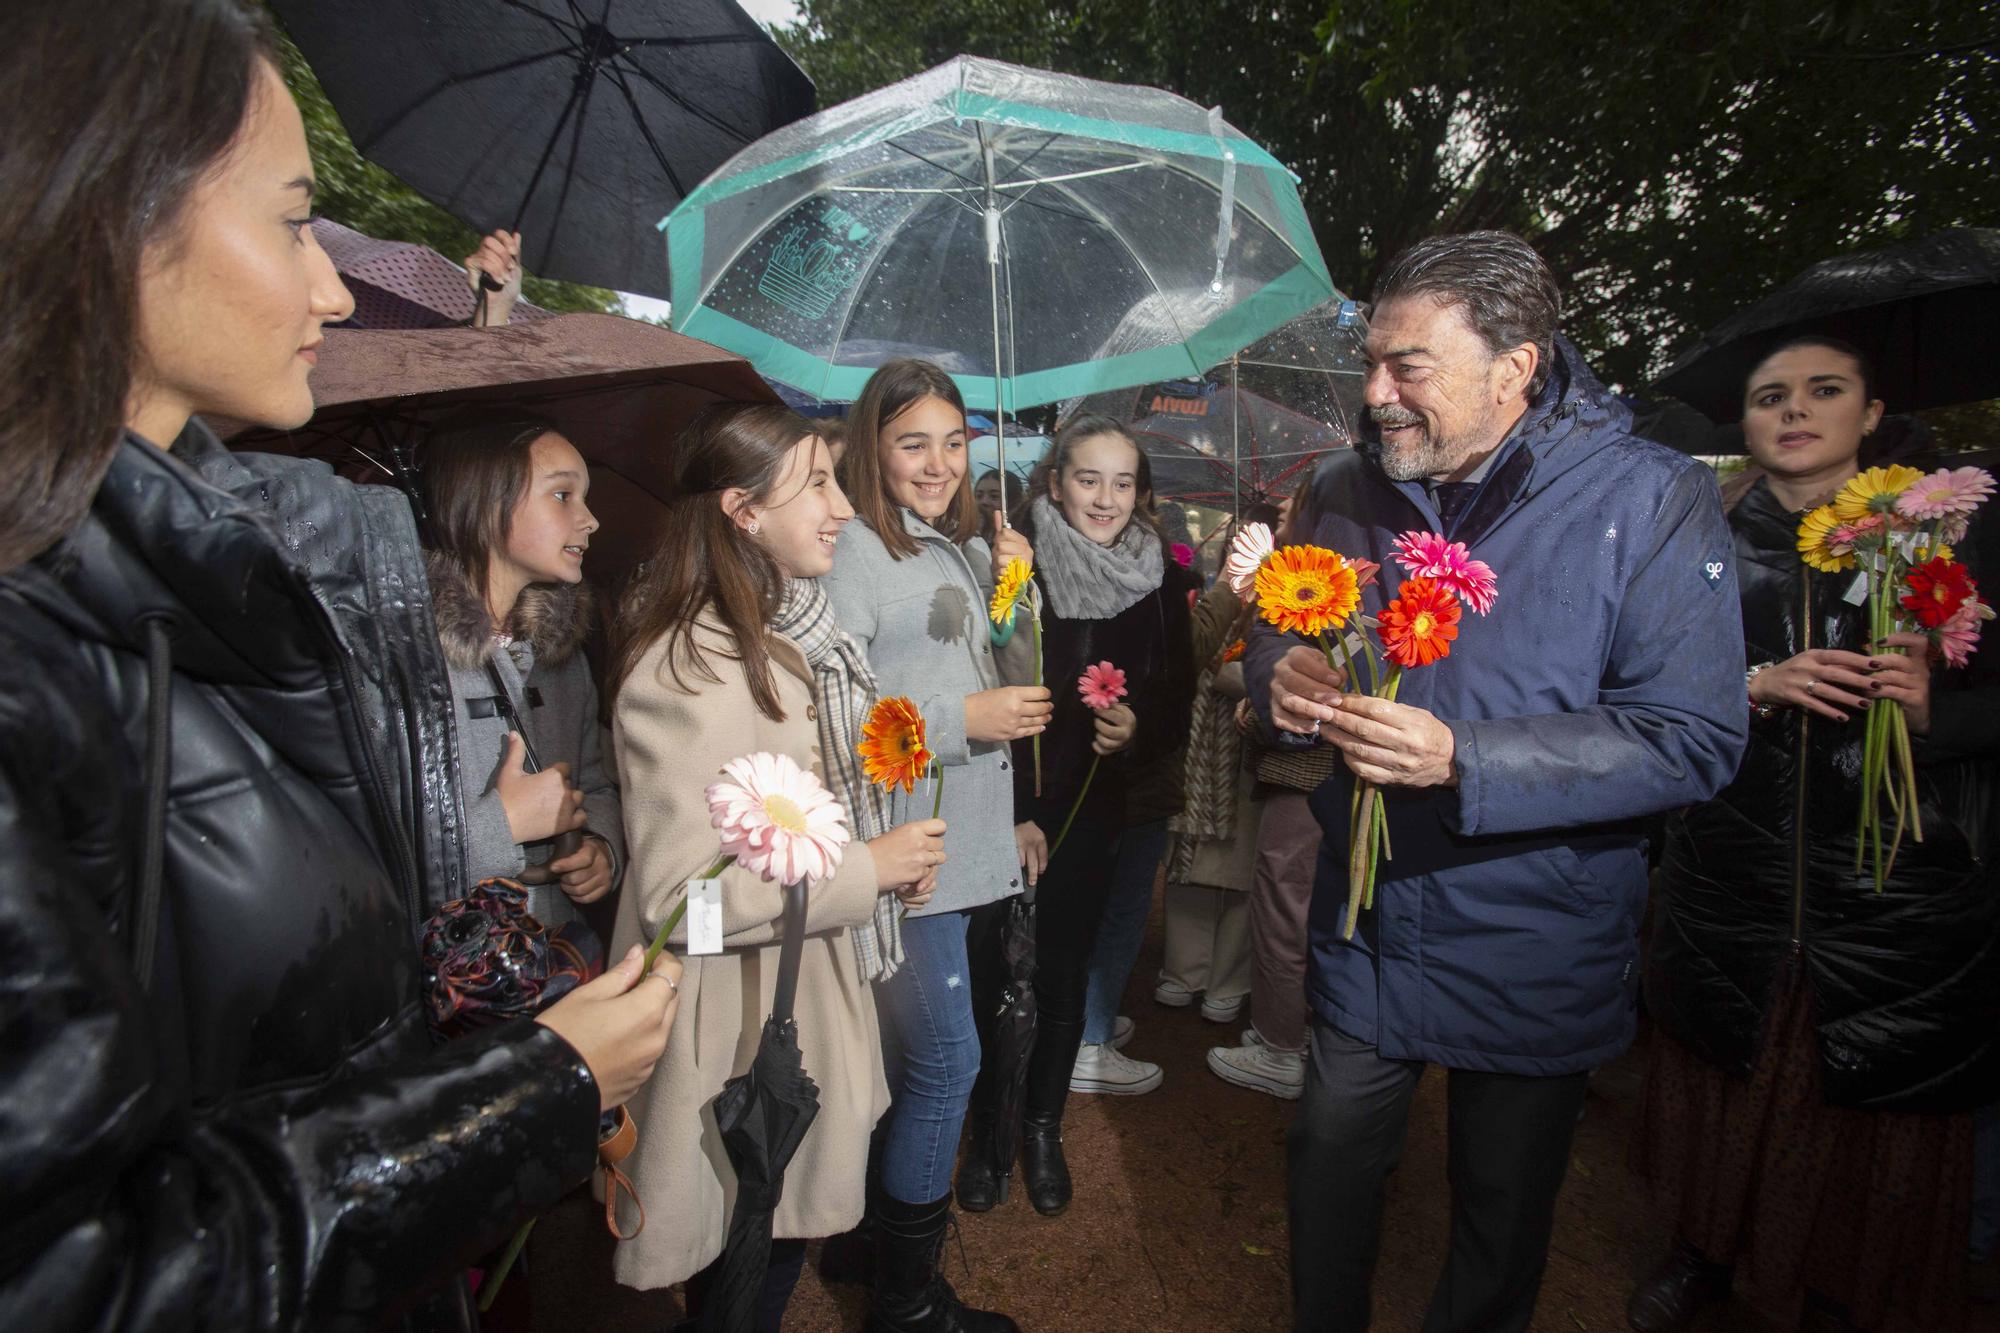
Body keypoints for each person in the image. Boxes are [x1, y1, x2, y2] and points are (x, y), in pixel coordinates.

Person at [0, 4, 682, 1328]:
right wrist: (528, 1089)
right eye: (296, 219)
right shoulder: (42, 660)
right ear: (108, 209)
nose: (328, 285)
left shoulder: (228, 592)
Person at [1247, 231, 1747, 1332]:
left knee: (1499, 1212)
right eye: (1371, 361)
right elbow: (1277, 619)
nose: (1374, 395)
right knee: (1326, 1162)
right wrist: (1278, 669)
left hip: (1537, 933)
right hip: (1366, 920)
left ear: (1514, 367)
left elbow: (1691, 737)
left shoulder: (1650, 498)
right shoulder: (1342, 487)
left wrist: (1463, 761)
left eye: (1407, 366)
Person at [1628, 336, 2000, 1333]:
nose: (1792, 410)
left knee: (1862, 1105)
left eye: (1822, 390)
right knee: (1726, 1079)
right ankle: (1699, 1254)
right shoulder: (1692, 536)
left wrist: (1939, 714)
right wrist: (1744, 687)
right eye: (1768, 396)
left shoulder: (1948, 533)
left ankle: (1842, 1288)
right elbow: (1629, 683)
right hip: (1732, 874)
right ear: (1743, 423)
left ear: (1870, 415)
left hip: (1894, 892)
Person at [603, 404, 946, 1330]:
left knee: (768, 1253)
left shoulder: (778, 637)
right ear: (742, 512)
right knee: (748, 1262)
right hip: (738, 1027)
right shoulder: (687, 666)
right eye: (819, 484)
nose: (842, 504)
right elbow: (682, 906)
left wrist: (873, 857)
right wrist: (861, 871)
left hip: (791, 992)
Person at [821, 358, 1041, 1333]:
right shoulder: (854, 551)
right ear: (871, 443)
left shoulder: (953, 547)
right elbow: (841, 714)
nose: (939, 462)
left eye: (955, 442)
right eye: (914, 441)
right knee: (945, 1064)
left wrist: (1013, 587)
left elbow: (1008, 670)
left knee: (910, 1061)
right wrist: (964, 714)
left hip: (969, 842)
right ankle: (902, 1308)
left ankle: (863, 1239)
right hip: (906, 857)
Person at [960, 413, 1196, 1217]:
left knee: (1062, 977)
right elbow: (985, 678)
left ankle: (1040, 1127)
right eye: (1088, 478)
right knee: (990, 975)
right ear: (1054, 482)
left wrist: (1138, 731)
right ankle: (986, 1130)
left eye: (1122, 481)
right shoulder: (1009, 560)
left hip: (1094, 810)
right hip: (1002, 806)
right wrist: (1004, 587)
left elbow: (1176, 701)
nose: (1105, 497)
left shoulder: (1160, 579)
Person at [418, 412, 623, 932]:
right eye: (562, 495)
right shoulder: (406, 661)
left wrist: (600, 847)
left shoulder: (562, 658)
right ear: (486, 504)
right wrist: (500, 826)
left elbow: (596, 785)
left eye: (586, 496)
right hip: (453, 981)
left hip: (557, 961)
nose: (591, 519)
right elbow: (367, 851)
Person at [1209, 487, 1327, 1100]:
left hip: (1309, 777)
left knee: (1285, 905)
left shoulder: (1320, 586)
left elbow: (1312, 690)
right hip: (1314, 776)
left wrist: (1261, 708)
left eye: (1289, 510)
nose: (1277, 518)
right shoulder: (1309, 576)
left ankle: (1282, 1046)